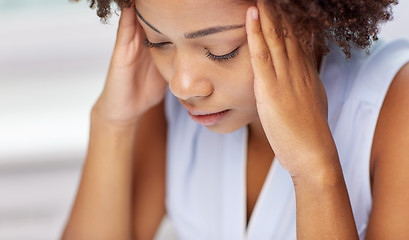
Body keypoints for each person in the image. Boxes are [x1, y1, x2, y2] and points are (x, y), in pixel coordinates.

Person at [62, 0, 409, 239]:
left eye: (221, 50)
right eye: (159, 42)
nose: (182, 85)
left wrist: (314, 169)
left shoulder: (394, 106)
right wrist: (111, 123)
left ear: (304, 22)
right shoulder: (163, 100)